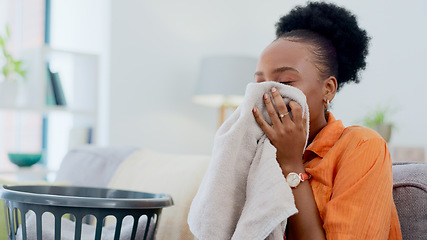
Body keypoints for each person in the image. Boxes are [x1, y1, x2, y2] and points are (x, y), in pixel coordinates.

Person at [251, 2, 402, 239]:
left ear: (328, 89)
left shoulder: (362, 146)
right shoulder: (256, 150)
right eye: (260, 83)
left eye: (287, 82)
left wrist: (291, 164)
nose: (269, 93)